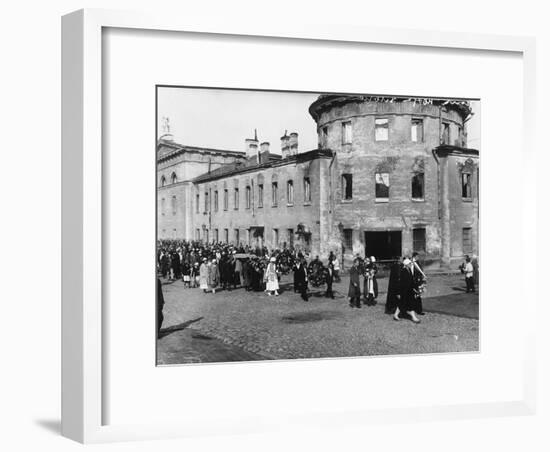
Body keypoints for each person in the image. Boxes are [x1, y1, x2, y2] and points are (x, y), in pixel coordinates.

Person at [397, 257, 421, 323]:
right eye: (409, 263)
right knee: (404, 303)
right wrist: (399, 292)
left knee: (407, 303)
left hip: (409, 291)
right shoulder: (403, 271)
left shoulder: (409, 270)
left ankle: (397, 315)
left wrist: (415, 288)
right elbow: (400, 283)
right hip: (404, 291)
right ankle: (413, 317)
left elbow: (411, 281)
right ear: (406, 264)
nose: (411, 264)